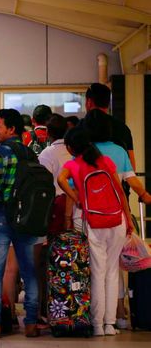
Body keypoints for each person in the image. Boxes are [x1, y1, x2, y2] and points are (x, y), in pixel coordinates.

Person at [57, 127, 133, 337]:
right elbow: (120, 191)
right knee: (111, 273)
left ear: (72, 147)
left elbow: (61, 180)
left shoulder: (73, 164)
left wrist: (77, 198)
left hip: (94, 222)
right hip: (116, 219)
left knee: (97, 274)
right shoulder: (105, 161)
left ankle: (98, 325)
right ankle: (110, 324)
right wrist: (127, 219)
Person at [0, 109, 40, 338]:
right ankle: (31, 323)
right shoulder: (30, 153)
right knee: (29, 271)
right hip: (27, 218)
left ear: (11, 129)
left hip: (2, 217)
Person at [36, 113, 70, 325]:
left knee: (48, 261)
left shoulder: (47, 154)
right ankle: (71, 306)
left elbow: (44, 186)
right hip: (75, 210)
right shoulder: (75, 151)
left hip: (54, 213)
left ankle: (49, 308)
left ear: (48, 133)